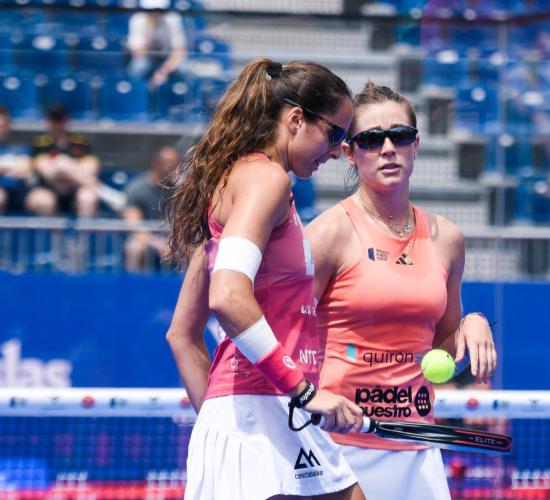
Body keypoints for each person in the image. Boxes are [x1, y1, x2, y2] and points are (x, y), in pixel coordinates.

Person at [165, 58, 364, 500]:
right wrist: (300, 391)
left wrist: (221, 419)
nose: (337, 152)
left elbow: (181, 335)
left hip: (265, 412)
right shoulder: (265, 179)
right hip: (266, 409)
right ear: (296, 119)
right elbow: (227, 295)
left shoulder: (236, 185)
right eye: (335, 134)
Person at [305, 82, 498, 500]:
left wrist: (473, 323)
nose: (388, 148)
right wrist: (309, 397)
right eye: (372, 139)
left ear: (416, 145)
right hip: (338, 446)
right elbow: (286, 332)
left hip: (415, 444)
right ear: (349, 152)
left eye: (401, 136)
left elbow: (443, 347)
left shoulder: (448, 239)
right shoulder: (327, 233)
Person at [25, 104, 100, 217]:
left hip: (75, 190)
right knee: (43, 199)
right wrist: (68, 168)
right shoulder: (40, 144)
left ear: (67, 120)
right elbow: (48, 172)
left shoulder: (80, 142)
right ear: (48, 122)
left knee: (87, 197)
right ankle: (101, 189)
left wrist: (65, 172)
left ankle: (85, 230)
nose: (58, 125)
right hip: (48, 188)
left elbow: (91, 168)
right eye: (54, 120)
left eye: (61, 120)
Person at [123, 145, 178, 271]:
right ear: (156, 163)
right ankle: (134, 282)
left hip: (172, 239)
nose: (172, 167)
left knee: (195, 248)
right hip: (145, 239)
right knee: (134, 248)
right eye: (168, 162)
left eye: (174, 163)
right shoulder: (137, 188)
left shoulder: (180, 190)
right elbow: (133, 225)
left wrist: (173, 242)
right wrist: (157, 243)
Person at [127, 0, 187, 88]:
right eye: (151, 10)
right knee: (138, 67)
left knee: (184, 69)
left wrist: (163, 71)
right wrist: (150, 30)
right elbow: (138, 52)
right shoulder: (137, 20)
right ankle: (138, 93)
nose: (155, 13)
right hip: (146, 58)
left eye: (159, 10)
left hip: (167, 58)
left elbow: (179, 51)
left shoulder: (173, 19)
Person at [0, 107, 33, 215]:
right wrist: (12, 165)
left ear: (9, 125)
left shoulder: (20, 147)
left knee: (42, 200)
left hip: (20, 194)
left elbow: (25, 171)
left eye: (4, 125)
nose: (1, 128)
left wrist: (2, 168)